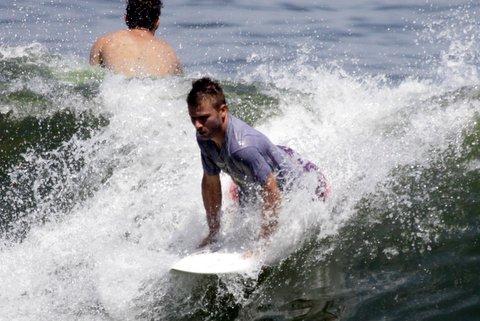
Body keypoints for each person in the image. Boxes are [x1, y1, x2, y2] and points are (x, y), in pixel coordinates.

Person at [187, 77, 329, 248]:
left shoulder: (242, 148)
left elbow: (272, 191)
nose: (197, 125)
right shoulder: (205, 138)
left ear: (223, 111)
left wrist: (263, 243)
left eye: (203, 118)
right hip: (254, 172)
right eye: (193, 118)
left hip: (303, 181)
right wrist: (213, 232)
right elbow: (210, 182)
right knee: (243, 202)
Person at [89, 0, 182, 77]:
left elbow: (92, 81)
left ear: (126, 18)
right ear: (157, 22)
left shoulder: (105, 42)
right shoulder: (170, 53)